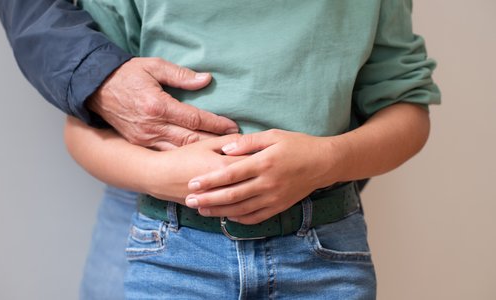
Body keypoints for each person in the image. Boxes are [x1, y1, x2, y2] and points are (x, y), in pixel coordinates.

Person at [63, 0, 440, 299]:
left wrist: (326, 160)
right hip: (174, 256)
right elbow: (82, 128)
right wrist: (162, 175)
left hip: (324, 257)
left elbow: (407, 110)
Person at [0, 1, 242, 299]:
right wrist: (99, 80)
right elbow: (79, 132)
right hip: (150, 206)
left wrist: (315, 163)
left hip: (310, 226)